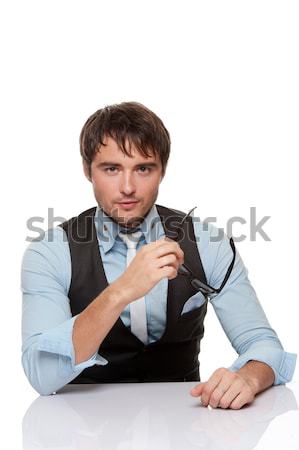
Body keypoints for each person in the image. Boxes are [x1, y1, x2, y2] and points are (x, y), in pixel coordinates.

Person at [21, 101, 297, 408]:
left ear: (162, 170)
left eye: (143, 168)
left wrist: (248, 377)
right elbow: (41, 375)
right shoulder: (50, 251)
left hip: (188, 424)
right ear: (88, 171)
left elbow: (264, 346)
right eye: (111, 169)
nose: (128, 187)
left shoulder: (208, 243)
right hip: (81, 429)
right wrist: (121, 292)